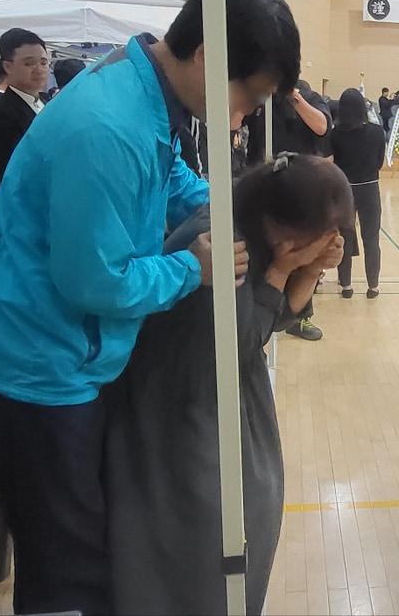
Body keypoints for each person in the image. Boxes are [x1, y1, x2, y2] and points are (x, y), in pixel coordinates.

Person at [0, 0, 300, 615]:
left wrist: (247, 216)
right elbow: (96, 281)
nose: (246, 114)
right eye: (248, 95)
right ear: (208, 56)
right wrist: (189, 270)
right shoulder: (109, 125)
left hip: (69, 358)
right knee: (68, 571)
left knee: (86, 548)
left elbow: (171, 179)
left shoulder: (144, 92)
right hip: (36, 374)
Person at [106, 155, 348, 615]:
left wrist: (310, 269)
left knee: (251, 503)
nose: (325, 242)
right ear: (281, 222)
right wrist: (281, 272)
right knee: (229, 520)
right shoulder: (225, 247)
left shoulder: (248, 223)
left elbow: (273, 319)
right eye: (317, 235)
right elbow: (239, 341)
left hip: (213, 388)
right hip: (178, 406)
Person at [243, 78, 333, 341]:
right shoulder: (261, 97)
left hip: (300, 190)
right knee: (262, 252)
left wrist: (295, 97)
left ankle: (300, 317)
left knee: (303, 253)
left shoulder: (308, 95)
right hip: (261, 186)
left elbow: (321, 127)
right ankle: (257, 313)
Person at [0, 28, 50, 249]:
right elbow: (8, 169)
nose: (39, 69)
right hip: (12, 215)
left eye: (44, 62)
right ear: (7, 66)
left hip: (45, 213)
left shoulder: (48, 105)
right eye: (29, 63)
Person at [331, 88, 388, 298]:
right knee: (371, 238)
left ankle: (346, 285)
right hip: (370, 187)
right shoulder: (376, 132)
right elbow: (380, 162)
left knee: (344, 237)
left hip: (344, 189)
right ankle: (373, 285)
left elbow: (332, 163)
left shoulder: (335, 134)